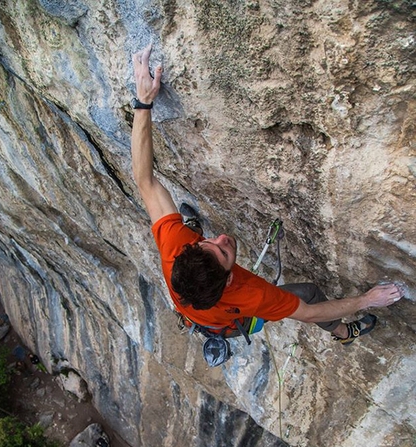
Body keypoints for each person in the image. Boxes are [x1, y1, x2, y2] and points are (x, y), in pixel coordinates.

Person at [131, 45, 403, 354]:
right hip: (230, 322)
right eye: (224, 252)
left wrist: (143, 102)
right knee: (311, 293)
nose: (222, 238)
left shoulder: (175, 248)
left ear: (189, 248)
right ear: (228, 279)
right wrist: (368, 299)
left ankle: (191, 225)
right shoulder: (251, 295)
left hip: (197, 313)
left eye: (208, 242)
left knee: (177, 222)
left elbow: (145, 180)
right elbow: (309, 312)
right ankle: (344, 333)